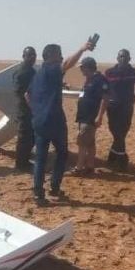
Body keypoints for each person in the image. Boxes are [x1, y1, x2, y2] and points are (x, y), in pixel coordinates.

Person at [27, 39, 96, 204]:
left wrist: (37, 111)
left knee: (41, 158)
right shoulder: (52, 69)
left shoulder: (38, 74)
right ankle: (54, 187)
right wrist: (83, 48)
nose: (61, 57)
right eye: (59, 54)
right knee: (62, 154)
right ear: (50, 56)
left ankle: (38, 193)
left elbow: (27, 95)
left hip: (39, 121)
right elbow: (66, 64)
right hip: (54, 121)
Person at [103, 49, 135, 171]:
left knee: (122, 132)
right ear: (117, 58)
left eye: (125, 57)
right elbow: (104, 88)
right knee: (115, 131)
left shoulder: (134, 72)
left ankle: (115, 156)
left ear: (129, 59)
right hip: (112, 107)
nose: (123, 58)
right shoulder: (109, 72)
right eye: (121, 56)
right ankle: (120, 157)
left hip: (127, 106)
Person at [71, 56, 108, 176]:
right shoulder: (89, 79)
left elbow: (105, 98)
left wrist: (99, 117)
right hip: (84, 116)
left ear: (88, 67)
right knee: (90, 143)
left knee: (82, 143)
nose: (81, 70)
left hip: (90, 117)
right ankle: (90, 166)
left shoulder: (99, 80)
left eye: (82, 67)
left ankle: (79, 168)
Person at [13, 46, 37, 172]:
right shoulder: (23, 72)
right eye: (29, 55)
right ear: (24, 56)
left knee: (29, 137)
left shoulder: (29, 71)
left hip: (28, 107)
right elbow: (22, 92)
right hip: (26, 108)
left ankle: (24, 161)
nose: (32, 57)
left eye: (34, 55)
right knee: (25, 137)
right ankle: (21, 163)